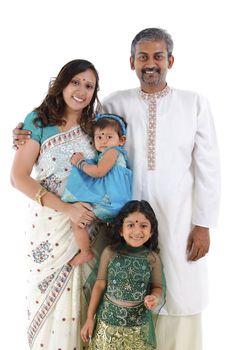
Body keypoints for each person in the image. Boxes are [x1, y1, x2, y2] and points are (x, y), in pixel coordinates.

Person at [12, 28, 221, 350]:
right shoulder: (116, 103)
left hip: (176, 216)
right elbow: (59, 140)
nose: (150, 64)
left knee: (179, 289)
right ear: (131, 62)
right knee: (108, 289)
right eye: (143, 57)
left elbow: (210, 167)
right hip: (112, 220)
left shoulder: (193, 104)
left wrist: (204, 223)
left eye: (158, 56)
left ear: (171, 60)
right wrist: (24, 133)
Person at [10, 59, 112, 350]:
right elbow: (18, 178)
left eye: (89, 86)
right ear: (62, 84)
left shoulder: (95, 127)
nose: (81, 90)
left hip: (90, 228)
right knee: (49, 307)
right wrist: (68, 209)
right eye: (75, 82)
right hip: (50, 228)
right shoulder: (37, 121)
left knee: (89, 305)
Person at [81, 200, 165, 349]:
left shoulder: (152, 258)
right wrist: (89, 318)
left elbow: (157, 286)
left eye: (144, 226)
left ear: (151, 231)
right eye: (130, 225)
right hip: (107, 323)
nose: (137, 231)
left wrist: (155, 297)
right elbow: (100, 284)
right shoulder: (110, 252)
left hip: (138, 327)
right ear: (120, 230)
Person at [61, 113, 132, 265]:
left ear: (122, 140)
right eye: (99, 137)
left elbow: (98, 172)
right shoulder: (108, 154)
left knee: (76, 221)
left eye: (108, 137)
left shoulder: (113, 152)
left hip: (109, 201)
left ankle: (86, 252)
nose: (103, 141)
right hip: (115, 203)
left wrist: (79, 162)